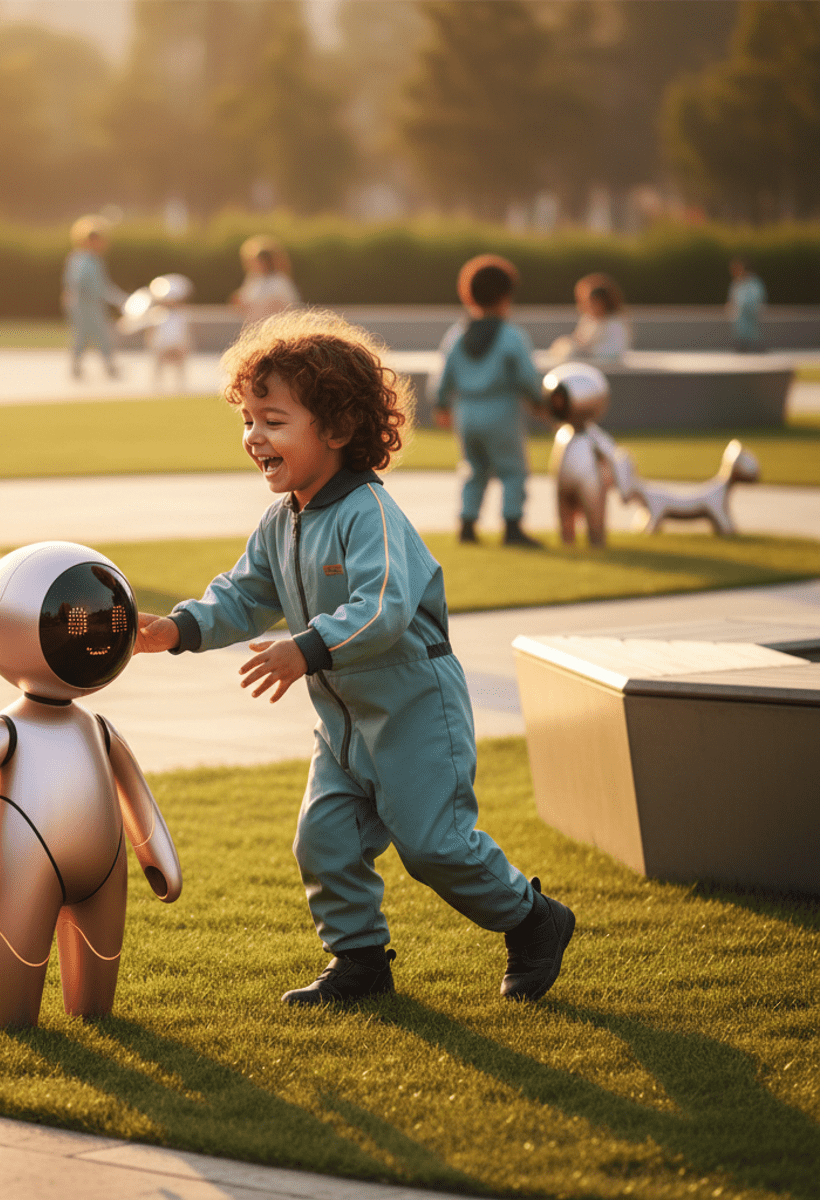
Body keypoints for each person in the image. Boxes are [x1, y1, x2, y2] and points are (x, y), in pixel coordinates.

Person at [134, 309, 576, 1008]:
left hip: (413, 711)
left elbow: (381, 608)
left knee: (435, 847)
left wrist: (305, 649)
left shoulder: (367, 512)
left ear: (336, 430)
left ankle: (532, 918)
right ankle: (361, 964)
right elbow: (245, 594)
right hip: (342, 724)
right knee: (324, 842)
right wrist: (178, 629)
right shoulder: (283, 520)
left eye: (273, 421)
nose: (254, 437)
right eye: (247, 419)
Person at [432, 255, 544, 547]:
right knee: (512, 470)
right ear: (506, 296)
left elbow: (443, 375)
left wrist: (441, 404)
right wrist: (538, 401)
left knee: (473, 468)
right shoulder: (510, 336)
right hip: (501, 409)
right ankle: (512, 526)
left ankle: (467, 524)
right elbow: (527, 376)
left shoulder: (457, 334)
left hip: (466, 410)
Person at [62, 216, 129, 380]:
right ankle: (96, 367)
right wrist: (113, 298)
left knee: (96, 336)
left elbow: (104, 285)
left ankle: (104, 366)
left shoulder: (96, 260)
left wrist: (120, 298)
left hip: (94, 305)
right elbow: (82, 284)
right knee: (87, 336)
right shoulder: (79, 260)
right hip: (83, 306)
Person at [549, 273, 631, 362]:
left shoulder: (615, 324)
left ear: (602, 302)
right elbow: (576, 341)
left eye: (590, 302)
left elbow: (614, 352)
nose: (585, 305)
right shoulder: (588, 320)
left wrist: (587, 350)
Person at [231, 236, 300, 325]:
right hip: (255, 327)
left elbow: (287, 308)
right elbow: (242, 304)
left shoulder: (280, 281)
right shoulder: (253, 280)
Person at [728, 259, 766, 352]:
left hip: (752, 310)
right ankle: (743, 345)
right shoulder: (737, 283)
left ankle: (753, 345)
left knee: (751, 329)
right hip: (740, 312)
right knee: (741, 328)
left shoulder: (753, 282)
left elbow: (758, 296)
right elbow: (733, 297)